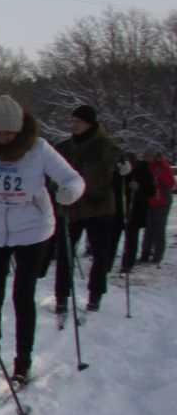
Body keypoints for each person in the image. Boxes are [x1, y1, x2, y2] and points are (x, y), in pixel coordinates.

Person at [0, 95, 84, 385]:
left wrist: (69, 193)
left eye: (8, 133)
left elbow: (74, 180)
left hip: (33, 225)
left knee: (23, 294)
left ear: (20, 129)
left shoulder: (38, 149)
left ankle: (23, 360)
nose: (2, 139)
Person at [54, 105, 125, 313]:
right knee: (65, 254)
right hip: (70, 208)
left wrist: (125, 165)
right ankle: (61, 296)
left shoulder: (103, 144)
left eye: (79, 122)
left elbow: (118, 157)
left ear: (90, 123)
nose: (74, 125)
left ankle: (95, 295)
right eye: (73, 121)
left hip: (98, 206)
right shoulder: (65, 147)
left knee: (100, 254)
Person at [141, 154, 174, 265]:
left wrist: (160, 176)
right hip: (151, 201)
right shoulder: (148, 168)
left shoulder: (164, 167)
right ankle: (146, 252)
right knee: (149, 228)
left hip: (162, 201)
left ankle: (157, 255)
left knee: (159, 229)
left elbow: (170, 184)